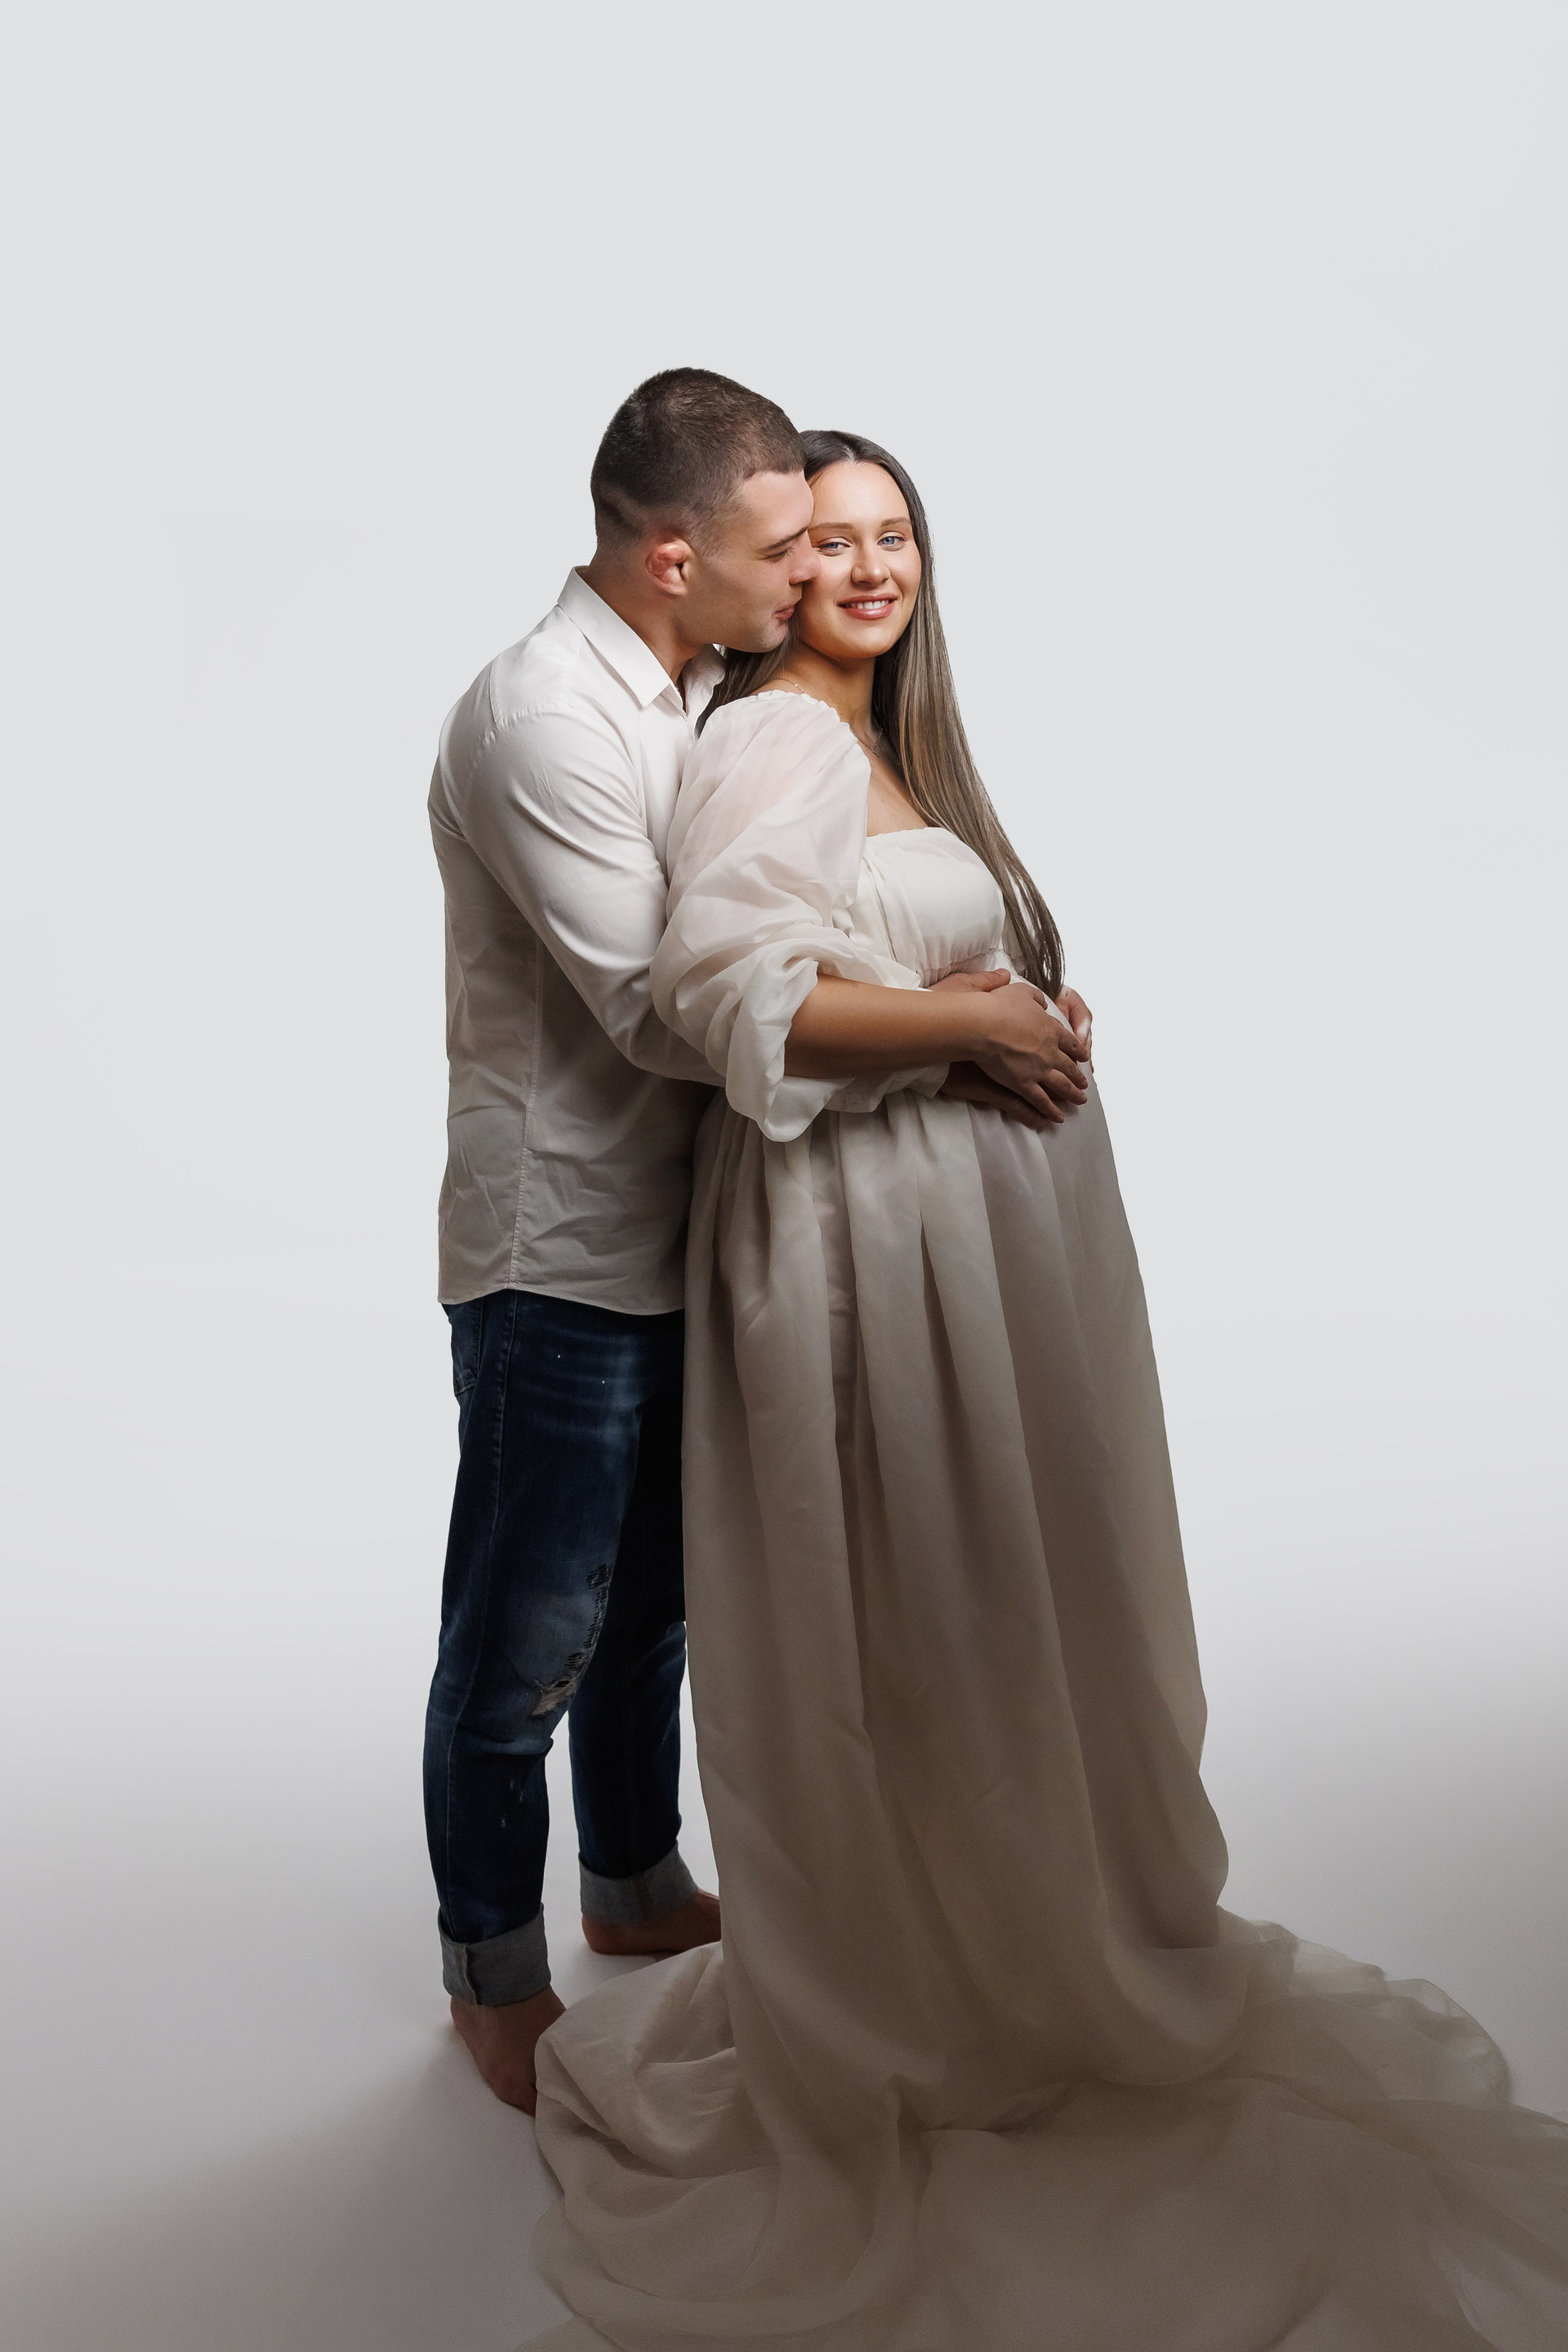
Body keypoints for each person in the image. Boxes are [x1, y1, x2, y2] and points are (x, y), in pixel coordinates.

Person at [528, 434, 1568, 2348]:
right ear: (764, 568)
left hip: (977, 1257)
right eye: (826, 540)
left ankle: (1028, 1944)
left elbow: (888, 958)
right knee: (917, 1610)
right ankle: (931, 1993)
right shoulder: (774, 738)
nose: (868, 565)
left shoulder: (902, 744)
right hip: (867, 1253)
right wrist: (966, 1025)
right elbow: (734, 997)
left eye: (895, 532)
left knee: (1010, 1603)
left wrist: (1010, 1002)